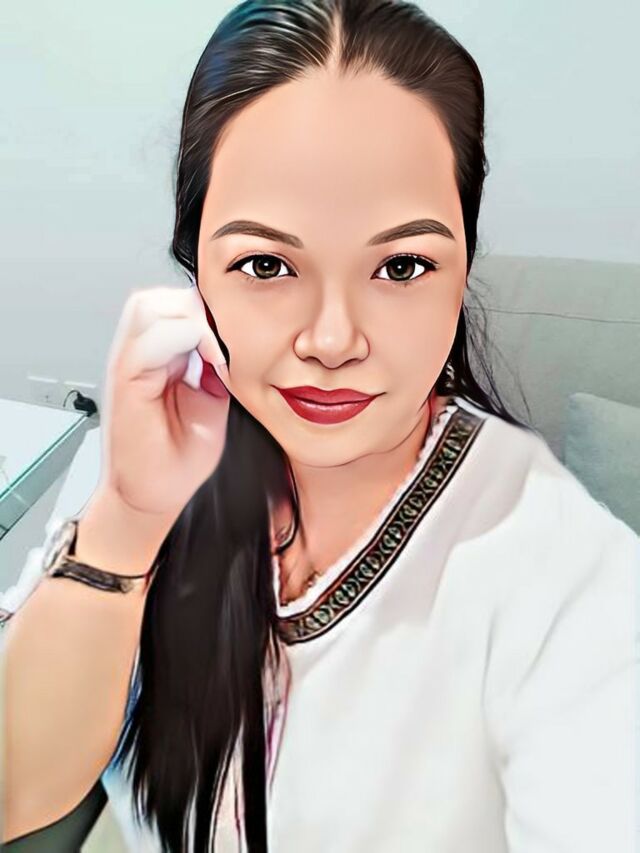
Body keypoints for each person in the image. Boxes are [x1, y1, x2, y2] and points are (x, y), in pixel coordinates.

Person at [1, 1, 638, 851]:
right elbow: (17, 795)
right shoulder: (156, 444)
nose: (333, 340)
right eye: (267, 264)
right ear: (197, 271)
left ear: (462, 269)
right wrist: (129, 514)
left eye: (401, 266)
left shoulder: (560, 576)